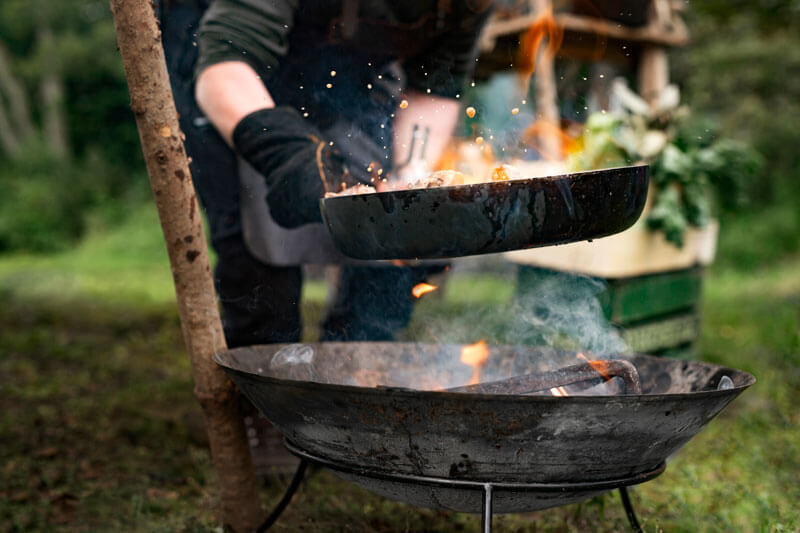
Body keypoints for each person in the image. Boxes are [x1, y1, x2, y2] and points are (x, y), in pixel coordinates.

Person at [161, 0, 493, 348]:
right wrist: (289, 155)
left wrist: (412, 174)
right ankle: (263, 384)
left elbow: (432, 90)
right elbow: (224, 70)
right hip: (226, 76)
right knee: (263, 294)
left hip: (351, 85)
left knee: (387, 258)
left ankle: (358, 379)